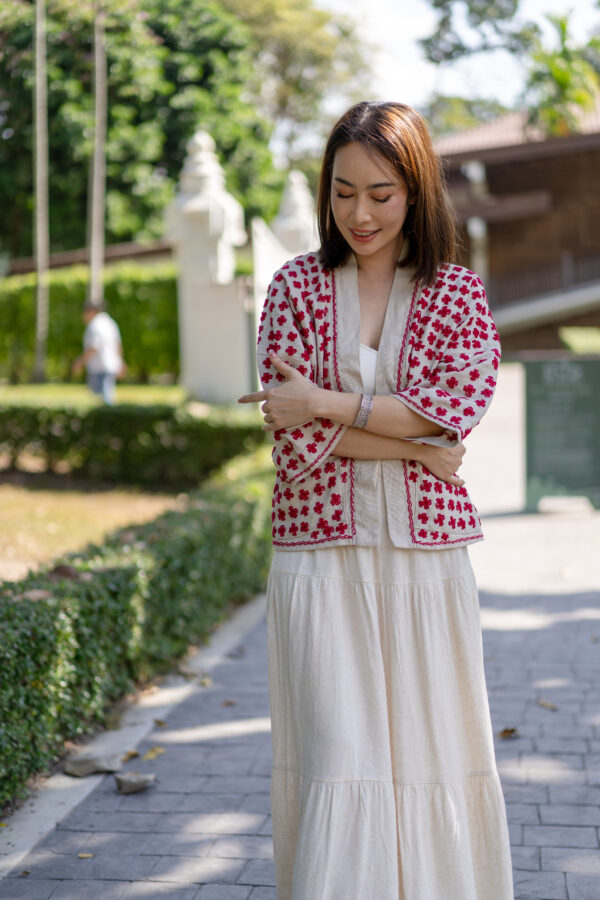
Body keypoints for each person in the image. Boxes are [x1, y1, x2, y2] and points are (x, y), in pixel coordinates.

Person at [238, 101, 513, 900]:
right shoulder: (292, 287)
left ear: (417, 192)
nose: (360, 212)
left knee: (434, 753)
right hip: (317, 557)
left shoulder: (457, 292)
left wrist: (325, 404)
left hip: (428, 564)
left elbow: (452, 404)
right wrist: (418, 449)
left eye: (382, 193)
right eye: (343, 191)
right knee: (339, 759)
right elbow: (293, 441)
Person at [72, 301, 126, 405]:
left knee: (100, 401)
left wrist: (80, 362)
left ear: (91, 312)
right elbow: (118, 345)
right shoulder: (111, 323)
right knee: (106, 397)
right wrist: (121, 362)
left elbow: (94, 347)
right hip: (110, 365)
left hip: (99, 367)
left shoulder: (95, 325)